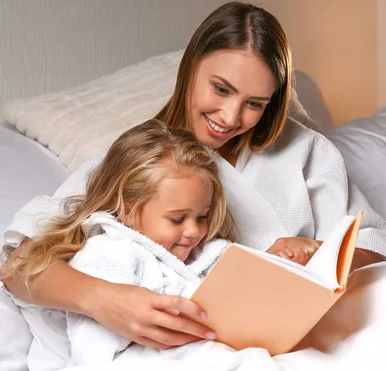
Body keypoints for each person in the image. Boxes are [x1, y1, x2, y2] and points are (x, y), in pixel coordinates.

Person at [1, 1, 386, 351]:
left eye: (255, 104)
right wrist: (106, 300)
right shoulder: (131, 164)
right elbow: (18, 263)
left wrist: (318, 253)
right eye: (221, 89)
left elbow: (381, 250)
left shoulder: (306, 152)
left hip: (316, 333)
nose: (231, 118)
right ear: (191, 68)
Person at [2, 119, 235, 367]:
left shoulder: (204, 252)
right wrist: (106, 299)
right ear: (127, 209)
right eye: (177, 219)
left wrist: (265, 264)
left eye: (202, 217)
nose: (194, 231)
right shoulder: (109, 250)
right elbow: (19, 266)